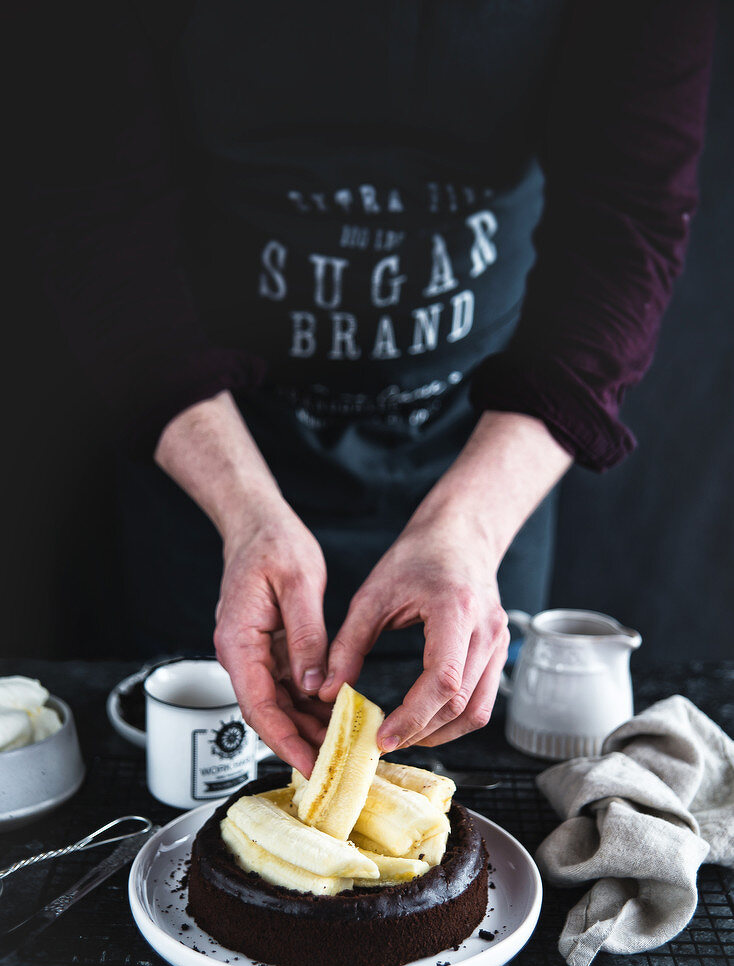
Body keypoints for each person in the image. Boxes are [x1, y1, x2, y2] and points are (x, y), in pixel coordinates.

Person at [24, 1, 716, 775]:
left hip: (482, 451)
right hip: (207, 446)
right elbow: (93, 211)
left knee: (478, 761)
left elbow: (629, 217)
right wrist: (245, 513)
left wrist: (472, 529)